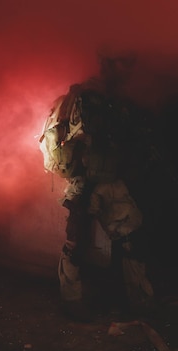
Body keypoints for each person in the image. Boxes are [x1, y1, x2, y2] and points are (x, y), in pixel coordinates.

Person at [39, 75, 154, 321]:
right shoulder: (83, 104)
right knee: (76, 244)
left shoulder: (113, 104)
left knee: (127, 241)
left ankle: (134, 302)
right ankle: (74, 301)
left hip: (105, 181)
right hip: (85, 181)